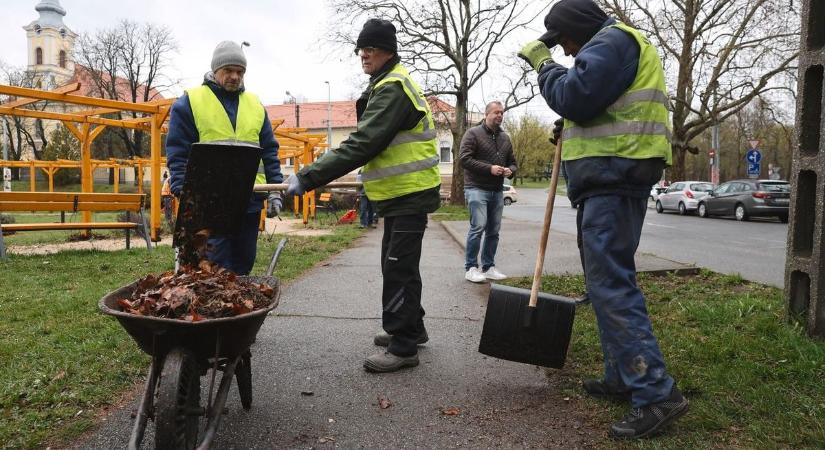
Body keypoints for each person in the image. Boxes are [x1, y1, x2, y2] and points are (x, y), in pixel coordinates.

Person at [518, 0, 688, 439]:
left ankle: (655, 393)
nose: (568, 52)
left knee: (611, 284)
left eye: (566, 42)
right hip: (613, 176)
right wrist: (571, 127)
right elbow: (593, 106)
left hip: (614, 177)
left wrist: (543, 65)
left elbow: (575, 95)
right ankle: (622, 376)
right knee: (605, 282)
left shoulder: (610, 41)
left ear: (578, 29)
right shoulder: (619, 44)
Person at [286, 19, 440, 373]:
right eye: (361, 49)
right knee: (399, 264)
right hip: (404, 195)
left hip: (409, 194)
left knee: (398, 268)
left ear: (388, 50)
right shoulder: (387, 84)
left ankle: (403, 346)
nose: (363, 55)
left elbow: (363, 142)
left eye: (369, 48)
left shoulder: (393, 89)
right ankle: (412, 329)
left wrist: (309, 177)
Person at [166, 40, 283, 275]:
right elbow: (178, 152)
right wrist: (182, 190)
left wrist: (275, 190)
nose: (234, 76)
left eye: (240, 72)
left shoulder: (255, 106)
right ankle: (211, 311)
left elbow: (269, 150)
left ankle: (239, 309)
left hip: (249, 200)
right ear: (215, 70)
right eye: (228, 70)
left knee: (243, 263)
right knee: (212, 267)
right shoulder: (190, 102)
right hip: (209, 202)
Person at [459, 100, 517, 283]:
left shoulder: (505, 138)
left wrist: (511, 171)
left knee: (494, 230)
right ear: (487, 114)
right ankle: (471, 268)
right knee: (478, 227)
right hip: (476, 188)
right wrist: (489, 168)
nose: (500, 115)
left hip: (497, 191)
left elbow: (513, 162)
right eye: (496, 112)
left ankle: (489, 266)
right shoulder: (473, 134)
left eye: (502, 113)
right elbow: (464, 159)